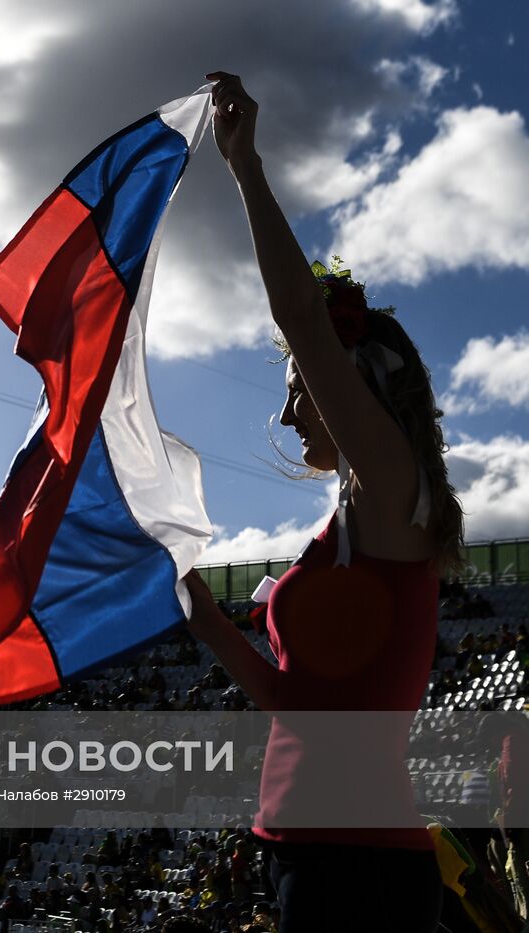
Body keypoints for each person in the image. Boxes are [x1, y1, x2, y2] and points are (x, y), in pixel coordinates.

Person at [183, 72, 461, 932]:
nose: (287, 411)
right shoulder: (350, 527)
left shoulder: (393, 492)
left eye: (304, 389)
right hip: (308, 848)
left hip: (360, 862)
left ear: (363, 392)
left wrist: (244, 168)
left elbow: (305, 315)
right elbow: (294, 706)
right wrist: (203, 616)